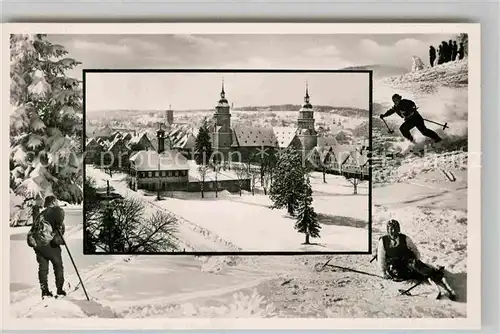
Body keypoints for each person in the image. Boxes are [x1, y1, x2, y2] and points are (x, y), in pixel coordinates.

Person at [377, 219, 457, 300]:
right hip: (394, 265)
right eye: (390, 229)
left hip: (406, 261)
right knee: (398, 275)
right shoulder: (383, 241)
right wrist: (383, 272)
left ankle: (432, 273)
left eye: (395, 229)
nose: (393, 231)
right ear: (387, 230)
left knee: (416, 266)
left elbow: (415, 250)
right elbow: (381, 257)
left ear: (398, 229)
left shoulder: (405, 238)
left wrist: (416, 262)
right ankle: (424, 272)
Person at [28, 195, 67, 298]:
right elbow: (60, 216)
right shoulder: (55, 211)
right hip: (50, 244)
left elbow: (33, 229)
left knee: (43, 268)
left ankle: (44, 291)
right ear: (53, 202)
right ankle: (59, 290)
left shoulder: (40, 215)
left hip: (38, 245)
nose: (58, 203)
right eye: (56, 201)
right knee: (58, 266)